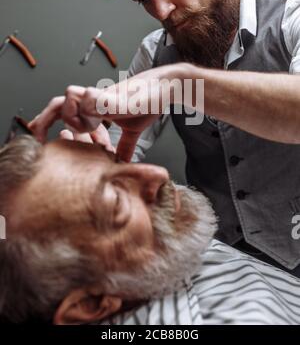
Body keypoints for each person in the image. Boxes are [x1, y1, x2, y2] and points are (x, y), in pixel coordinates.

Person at [29, 0, 300, 276]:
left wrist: (179, 83)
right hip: (221, 260)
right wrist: (92, 158)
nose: (160, 11)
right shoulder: (154, 52)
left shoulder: (292, 19)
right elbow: (118, 147)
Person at [1, 131, 300, 325]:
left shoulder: (149, 259)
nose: (157, 173)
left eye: (117, 160)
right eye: (116, 202)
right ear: (90, 304)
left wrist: (98, 173)